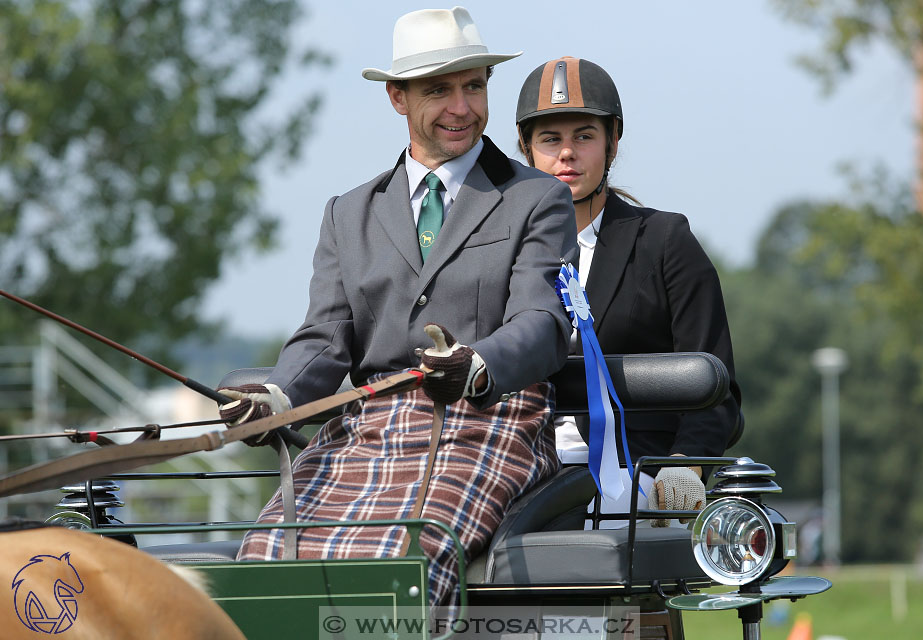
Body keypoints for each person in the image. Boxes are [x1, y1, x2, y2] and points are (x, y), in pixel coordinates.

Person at [216, 9, 576, 605]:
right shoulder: (347, 213)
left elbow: (543, 323)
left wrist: (477, 364)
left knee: (399, 563)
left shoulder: (536, 198)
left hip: (490, 421)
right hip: (366, 429)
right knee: (266, 558)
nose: (462, 107)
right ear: (396, 97)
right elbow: (325, 338)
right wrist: (277, 400)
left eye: (474, 86)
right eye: (439, 90)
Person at [515, 57, 742, 526]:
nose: (567, 154)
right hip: (521, 470)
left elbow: (719, 391)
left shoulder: (664, 242)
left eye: (584, 136)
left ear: (612, 142)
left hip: (634, 476)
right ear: (526, 148)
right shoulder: (500, 253)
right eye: (550, 139)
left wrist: (684, 466)